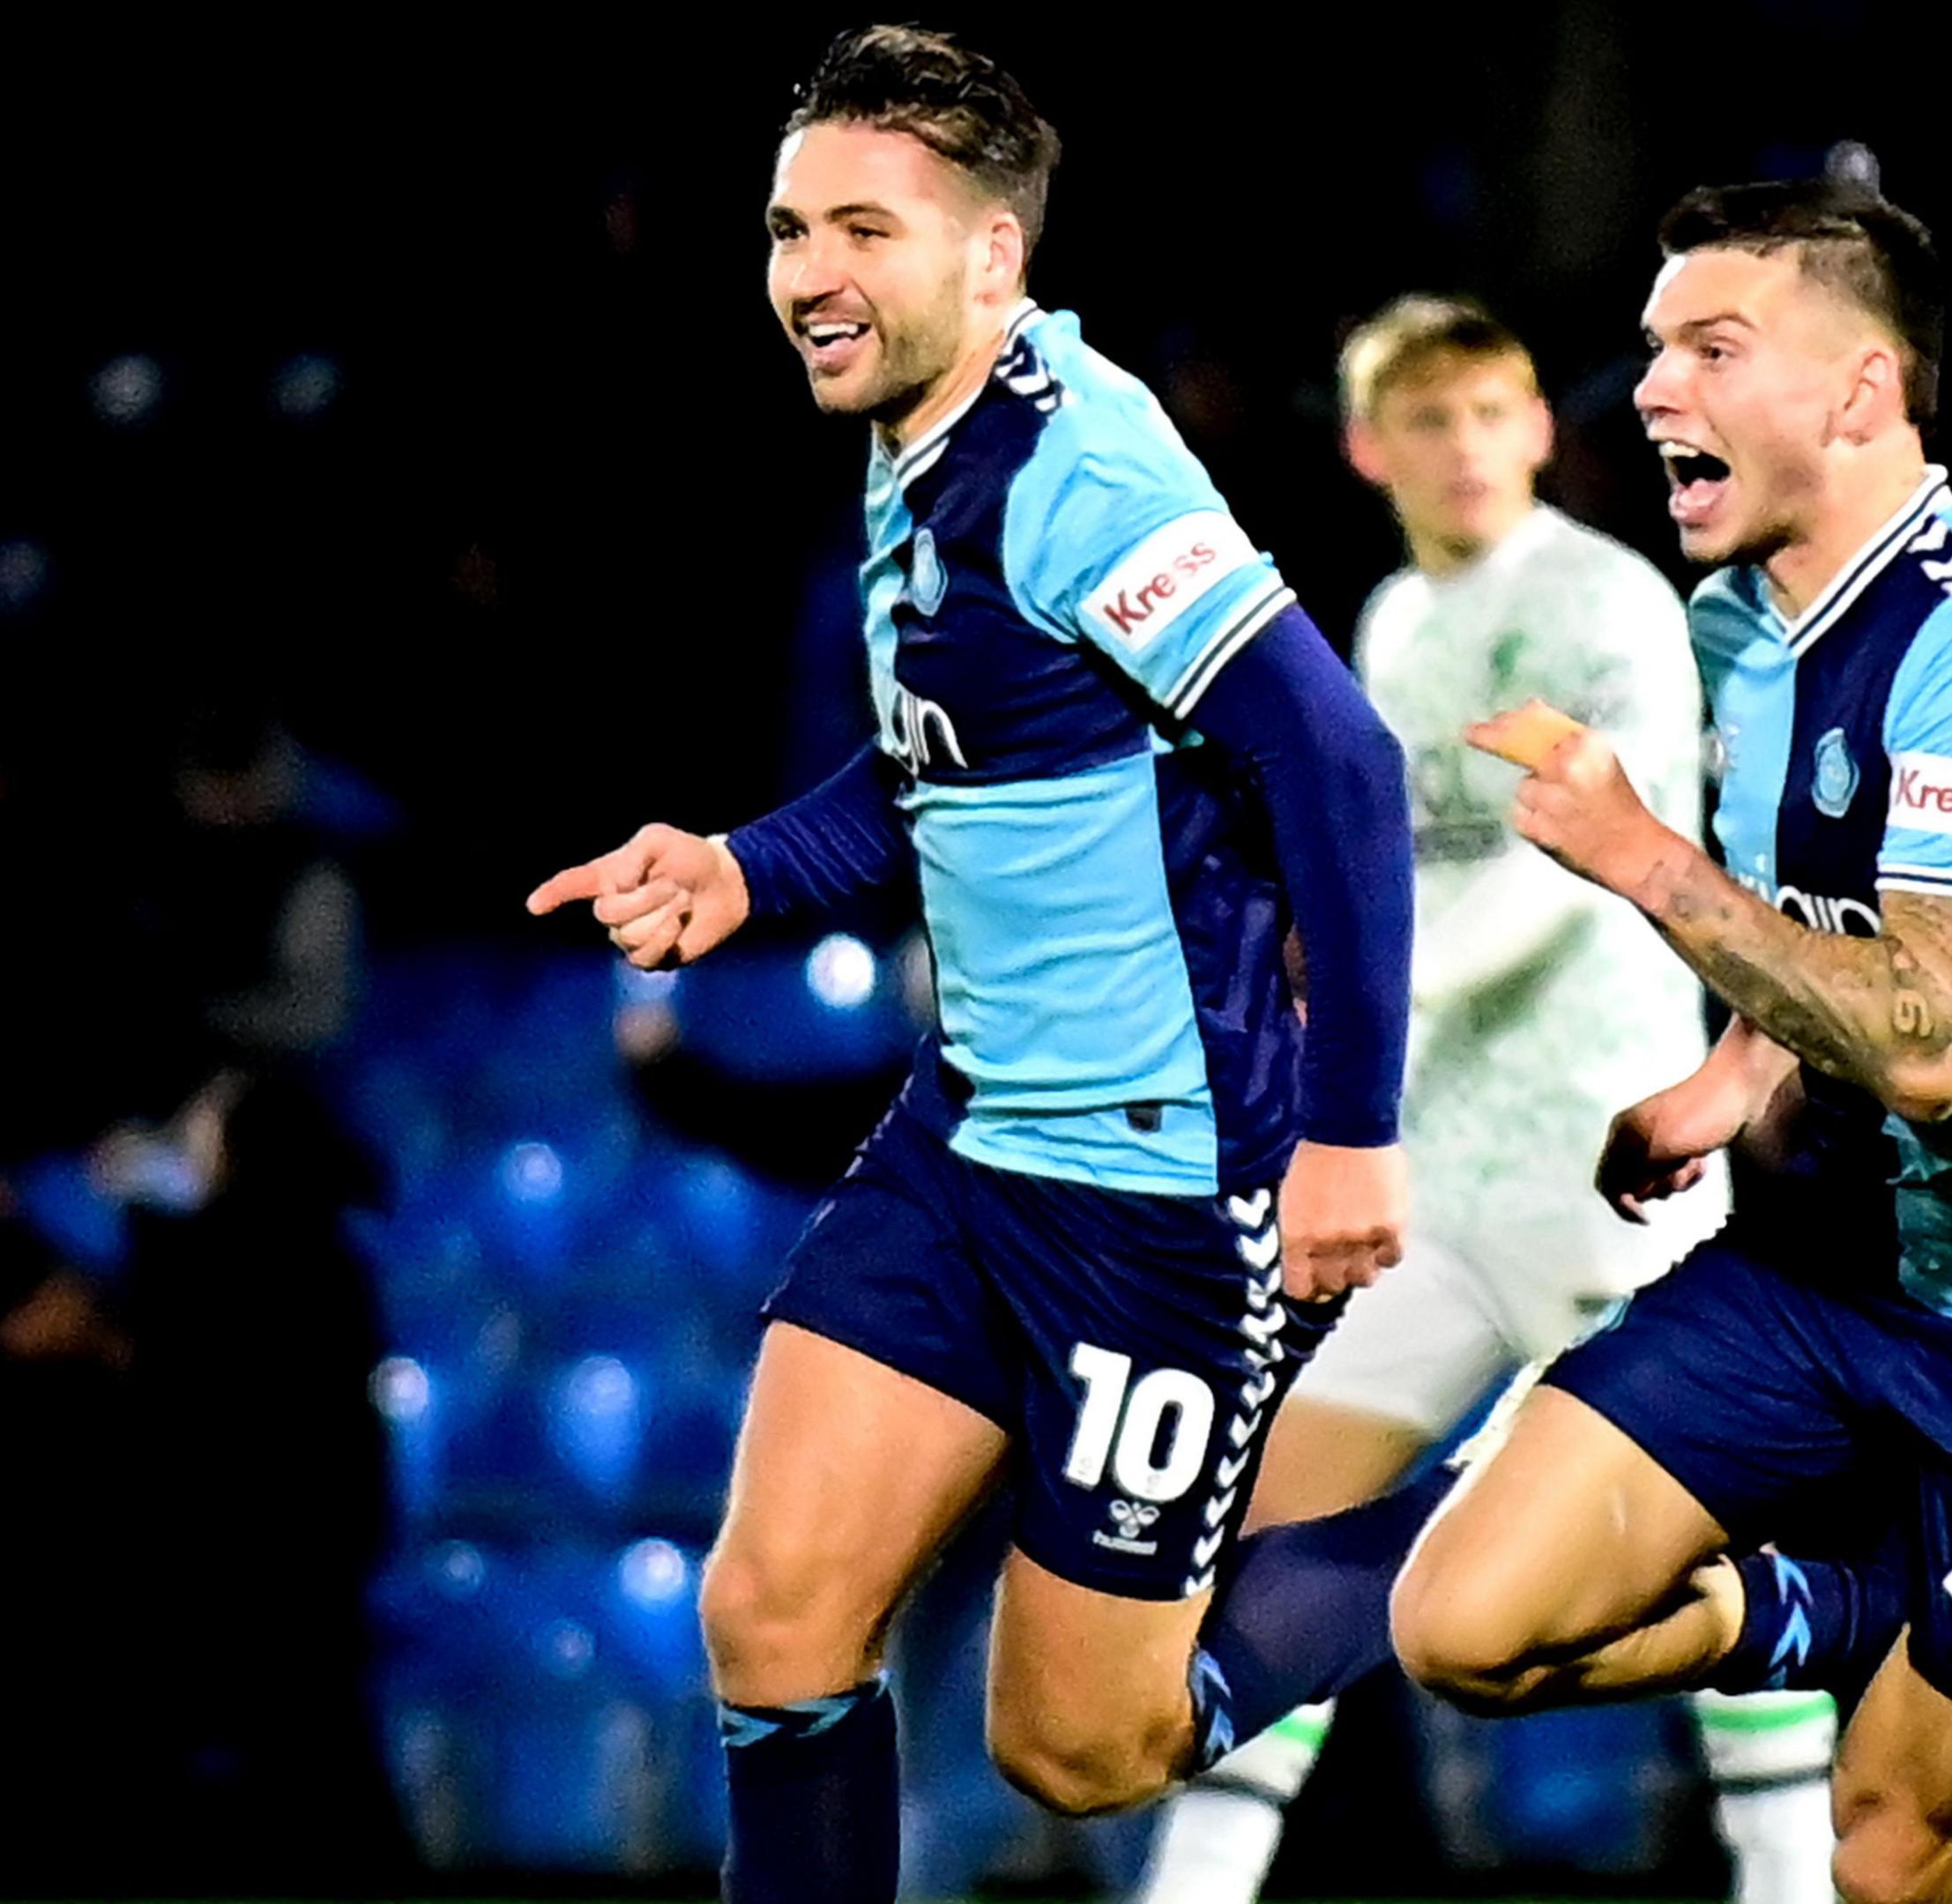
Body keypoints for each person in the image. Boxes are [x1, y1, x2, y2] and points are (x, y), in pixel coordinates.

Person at [524, 28, 1427, 1904]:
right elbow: (954, 745)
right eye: (789, 228)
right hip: (967, 1145)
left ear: (992, 259)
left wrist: (1351, 1133)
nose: (809, 274)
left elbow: (1334, 757)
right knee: (772, 1616)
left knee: (1078, 1746)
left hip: (1155, 1179)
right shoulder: (922, 439)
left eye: (867, 226)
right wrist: (748, 869)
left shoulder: (1077, 473)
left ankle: (1510, 1534)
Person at [1385, 178, 1952, 1904]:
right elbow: (1823, 935)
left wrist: (1639, 853)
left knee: (1896, 1860)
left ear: (1862, 396)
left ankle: (1921, 1674)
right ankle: (1852, 1607)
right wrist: (1729, 1078)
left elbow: (1927, 1040)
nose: (1650, 392)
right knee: (1462, 1626)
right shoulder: (1741, 629)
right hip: (1827, 1270)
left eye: (1713, 348)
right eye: (1650, 352)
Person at [1137, 298, 1836, 1904]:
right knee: (1268, 1544)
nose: (1465, 451)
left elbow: (1573, 881)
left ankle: (1791, 1882)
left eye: (1492, 416)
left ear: (1536, 431)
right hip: (1441, 1188)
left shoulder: (1607, 604)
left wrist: (1367, 998)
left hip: (1613, 1171)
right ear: (1370, 448)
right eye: (1429, 422)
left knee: (1700, 1546)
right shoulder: (1387, 623)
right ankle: (1194, 1890)